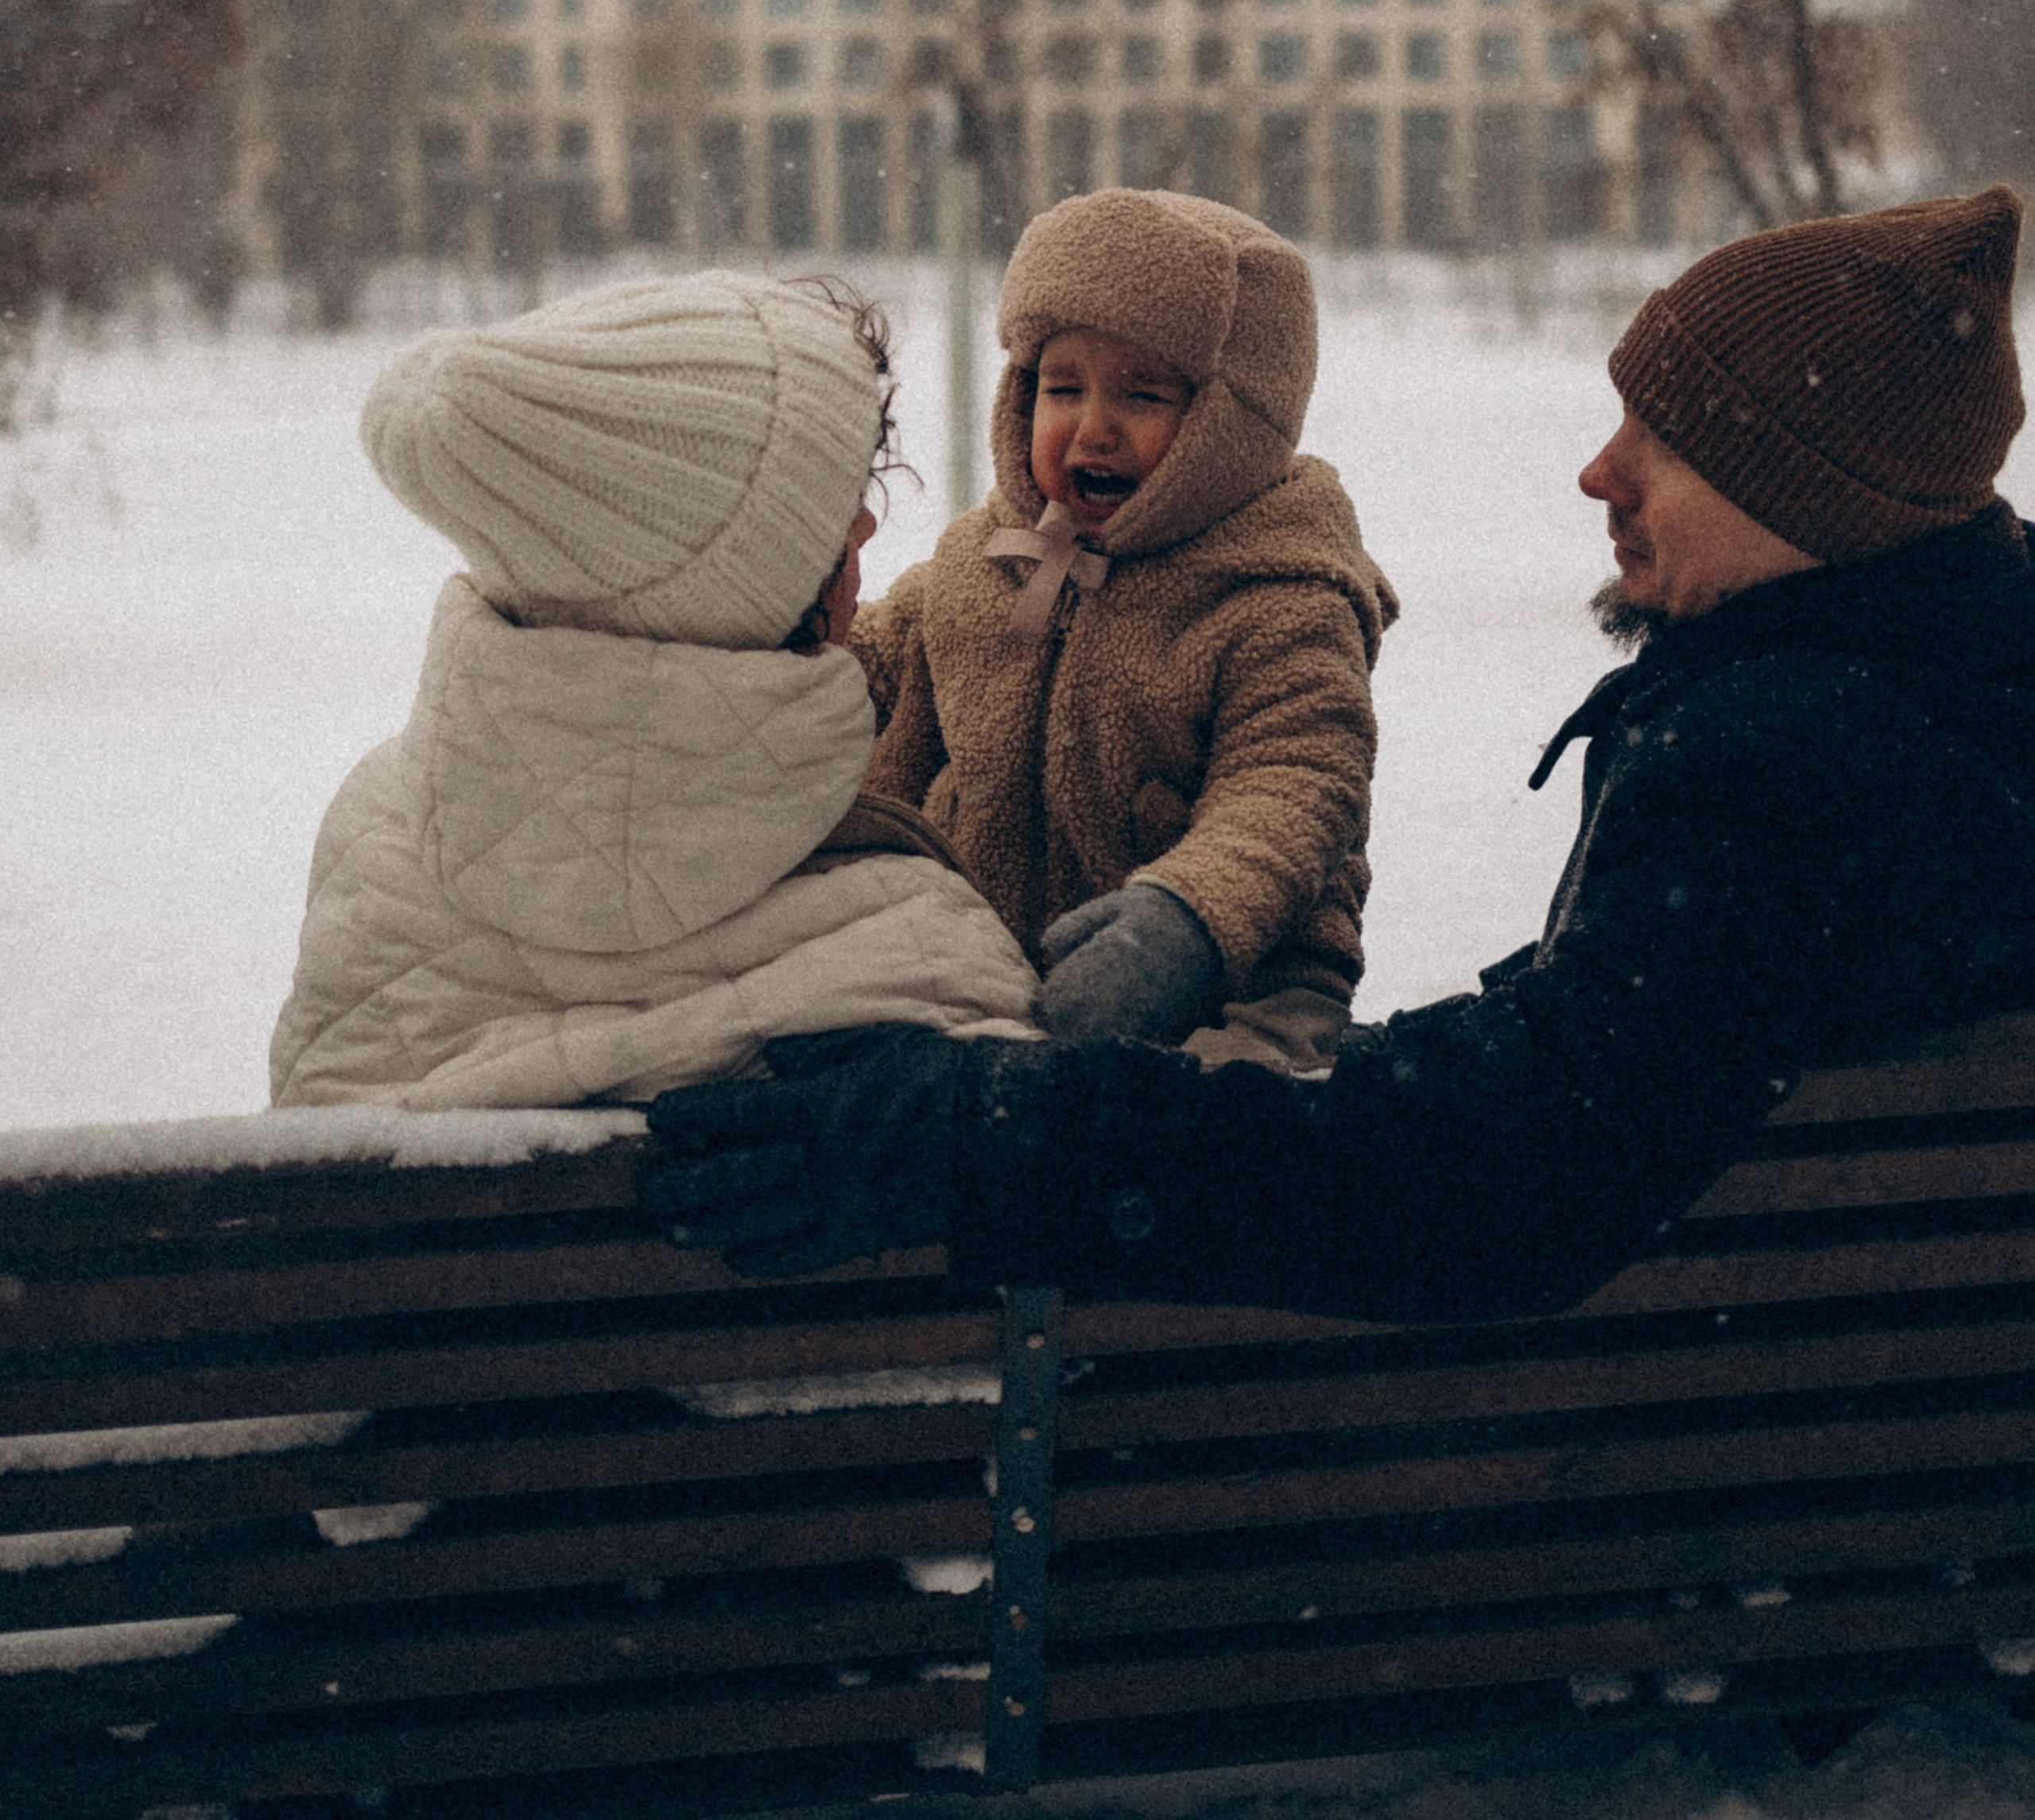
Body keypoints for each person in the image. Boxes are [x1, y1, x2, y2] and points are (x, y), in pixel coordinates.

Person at [640, 188, 2035, 1319]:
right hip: (1852, 1468)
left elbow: (1508, 1171)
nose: (1599, 474)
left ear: (1810, 494)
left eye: (1661, 443)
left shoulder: (1785, 773)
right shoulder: (1950, 709)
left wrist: (984, 1136)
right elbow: (1621, 1070)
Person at [269, 273, 1039, 1111]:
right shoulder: (908, 943)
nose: (865, 526)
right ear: (743, 593)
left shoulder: (376, 842)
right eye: (834, 512)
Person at [847, 188, 1396, 1072]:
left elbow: (1295, 780)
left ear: (1232, 422)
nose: (1090, 429)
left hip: (1234, 989)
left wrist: (1189, 918)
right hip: (990, 984)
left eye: (1141, 394)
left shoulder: (1280, 594)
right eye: (1061, 389)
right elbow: (864, 672)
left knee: (1223, 1143)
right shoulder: (983, 563)